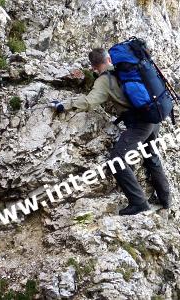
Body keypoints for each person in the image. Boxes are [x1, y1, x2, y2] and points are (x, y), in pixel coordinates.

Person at [55, 48, 171, 215]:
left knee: (117, 160)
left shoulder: (104, 80)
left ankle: (139, 203)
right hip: (153, 116)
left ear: (94, 67)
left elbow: (89, 102)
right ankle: (165, 199)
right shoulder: (124, 69)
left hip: (140, 124)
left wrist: (64, 104)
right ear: (108, 58)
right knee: (150, 156)